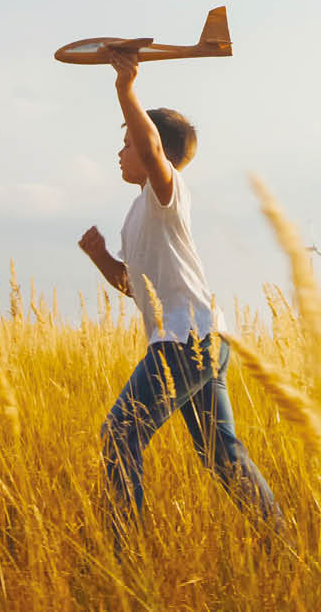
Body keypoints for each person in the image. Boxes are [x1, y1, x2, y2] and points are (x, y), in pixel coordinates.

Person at [77, 46, 285, 547]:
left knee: (118, 434)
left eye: (127, 142)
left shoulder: (166, 193)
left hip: (185, 340)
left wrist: (125, 88)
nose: (121, 152)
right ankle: (280, 542)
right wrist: (101, 256)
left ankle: (122, 556)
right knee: (220, 453)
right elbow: (135, 286)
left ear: (156, 154)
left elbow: (151, 152)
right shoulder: (139, 214)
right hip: (202, 339)